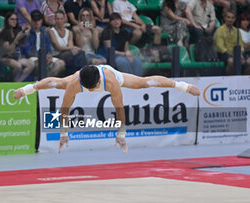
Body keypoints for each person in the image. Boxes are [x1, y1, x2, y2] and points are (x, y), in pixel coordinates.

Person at [13, 64, 201, 153]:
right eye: (90, 89)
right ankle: (27, 89)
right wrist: (63, 133)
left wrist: (121, 135)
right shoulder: (74, 84)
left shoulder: (111, 82)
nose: (94, 91)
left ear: (98, 82)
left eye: (94, 87)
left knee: (144, 83)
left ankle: (181, 85)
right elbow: (64, 110)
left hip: (110, 73)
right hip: (81, 75)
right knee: (58, 83)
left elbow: (120, 110)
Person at [22, 10, 65, 77]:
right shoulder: (27, 33)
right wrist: (40, 57)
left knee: (60, 63)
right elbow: (27, 51)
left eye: (38, 20)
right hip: (33, 58)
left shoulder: (45, 31)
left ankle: (47, 80)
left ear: (41, 20)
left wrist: (49, 55)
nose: (37, 23)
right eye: (34, 21)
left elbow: (48, 47)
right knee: (36, 65)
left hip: (44, 57)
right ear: (31, 21)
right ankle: (42, 82)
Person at [0, 12, 35, 82]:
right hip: (5, 57)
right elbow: (8, 49)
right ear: (7, 20)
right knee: (18, 66)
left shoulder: (17, 30)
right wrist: (16, 39)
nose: (14, 21)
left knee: (31, 64)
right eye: (12, 19)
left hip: (16, 57)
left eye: (16, 19)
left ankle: (17, 81)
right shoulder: (4, 32)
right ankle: (12, 81)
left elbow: (28, 25)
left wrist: (27, 31)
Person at [48, 10, 86, 76]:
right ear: (55, 20)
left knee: (80, 53)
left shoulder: (69, 32)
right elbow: (58, 47)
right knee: (76, 53)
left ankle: (78, 74)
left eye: (61, 19)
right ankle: (79, 75)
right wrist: (73, 47)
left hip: (67, 54)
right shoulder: (51, 31)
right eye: (57, 19)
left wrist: (72, 48)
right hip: (56, 54)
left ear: (64, 20)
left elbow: (70, 45)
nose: (59, 21)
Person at [214, 10, 250, 74]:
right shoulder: (219, 30)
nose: (230, 19)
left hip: (237, 54)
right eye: (228, 17)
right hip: (224, 54)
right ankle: (231, 79)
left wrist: (240, 55)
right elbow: (221, 48)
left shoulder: (237, 31)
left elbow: (241, 46)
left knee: (249, 62)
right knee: (232, 62)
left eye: (232, 18)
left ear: (235, 19)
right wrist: (235, 55)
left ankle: (243, 78)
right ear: (224, 18)